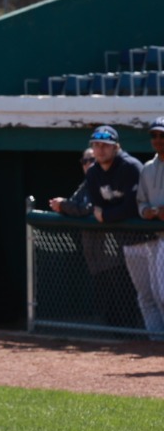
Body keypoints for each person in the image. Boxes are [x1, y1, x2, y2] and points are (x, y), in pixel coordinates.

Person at [43, 126, 145, 328]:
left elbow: (129, 206)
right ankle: (134, 338)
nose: (100, 150)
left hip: (143, 242)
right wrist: (105, 213)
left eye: (105, 145)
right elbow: (95, 207)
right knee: (129, 301)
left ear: (116, 147)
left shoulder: (130, 166)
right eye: (96, 145)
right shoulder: (93, 174)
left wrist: (106, 215)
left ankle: (151, 339)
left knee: (152, 295)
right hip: (112, 250)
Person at [137, 119, 164, 340]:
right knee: (155, 293)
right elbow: (141, 201)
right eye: (154, 135)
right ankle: (157, 340)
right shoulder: (147, 168)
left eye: (162, 136)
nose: (158, 140)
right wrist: (146, 211)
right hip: (156, 238)